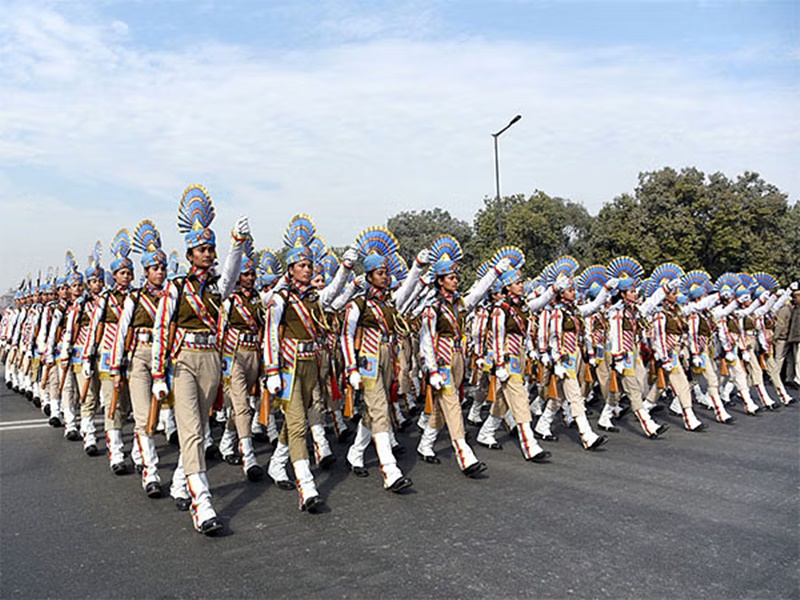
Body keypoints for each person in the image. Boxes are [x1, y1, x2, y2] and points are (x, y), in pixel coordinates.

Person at [151, 184, 249, 535]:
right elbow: (163, 329)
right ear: (189, 254)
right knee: (193, 431)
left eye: (211, 249)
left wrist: (236, 244)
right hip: (183, 362)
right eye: (201, 250)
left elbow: (233, 272)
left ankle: (180, 481)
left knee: (201, 429)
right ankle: (203, 502)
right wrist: (159, 373)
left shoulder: (218, 288)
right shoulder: (176, 288)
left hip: (211, 359)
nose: (207, 254)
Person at [264, 215, 354, 513]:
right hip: (289, 368)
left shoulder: (315, 297)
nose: (308, 270)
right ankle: (306, 486)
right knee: (299, 424)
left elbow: (335, 290)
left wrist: (346, 267)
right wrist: (272, 370)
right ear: (290, 270)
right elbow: (271, 335)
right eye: (302, 266)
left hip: (311, 365)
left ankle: (277, 464)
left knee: (299, 421)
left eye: (309, 265)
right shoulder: (280, 298)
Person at [416, 240, 512, 477]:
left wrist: (495, 272)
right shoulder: (432, 307)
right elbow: (426, 340)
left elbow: (478, 292)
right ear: (439, 281)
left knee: (441, 406)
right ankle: (464, 454)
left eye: (456, 276)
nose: (455, 280)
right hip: (442, 359)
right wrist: (433, 369)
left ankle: (425, 444)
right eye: (450, 277)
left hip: (458, 358)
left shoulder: (458, 304)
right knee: (452, 404)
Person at [341, 226, 424, 491]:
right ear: (369, 277)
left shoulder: (389, 303)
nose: (386, 277)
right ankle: (390, 470)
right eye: (380, 273)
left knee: (374, 409)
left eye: (387, 272)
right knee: (379, 409)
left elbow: (409, 288)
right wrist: (351, 367)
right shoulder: (358, 304)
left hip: (388, 356)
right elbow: (346, 335)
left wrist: (418, 267)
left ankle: (355, 453)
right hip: (368, 359)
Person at [110, 220, 168, 497]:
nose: (160, 272)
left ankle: (138, 451)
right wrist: (117, 367)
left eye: (163, 268)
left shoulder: (171, 296)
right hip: (139, 358)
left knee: (159, 417)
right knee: (144, 416)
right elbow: (121, 333)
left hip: (164, 359)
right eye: (155, 268)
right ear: (145, 272)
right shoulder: (135, 298)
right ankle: (151, 472)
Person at [84, 230, 135, 474]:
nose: (126, 277)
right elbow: (95, 326)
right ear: (114, 275)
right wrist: (88, 354)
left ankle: (134, 448)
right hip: (106, 355)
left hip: (131, 356)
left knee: (128, 405)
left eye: (129, 273)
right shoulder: (105, 299)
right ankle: (115, 450)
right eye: (122, 273)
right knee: (110, 402)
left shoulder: (137, 297)